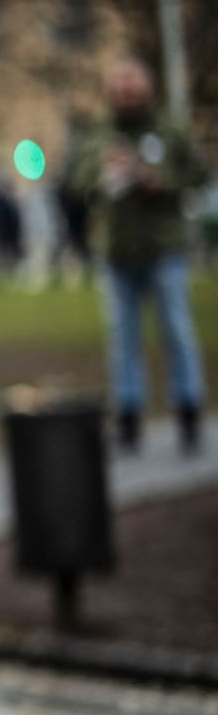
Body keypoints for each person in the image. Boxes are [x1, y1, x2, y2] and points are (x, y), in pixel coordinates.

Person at [69, 58, 208, 455]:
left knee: (177, 331)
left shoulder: (169, 130)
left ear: (147, 92)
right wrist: (103, 172)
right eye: (120, 92)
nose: (127, 99)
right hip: (117, 251)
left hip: (163, 247)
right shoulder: (99, 135)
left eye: (134, 92)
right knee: (122, 338)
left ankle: (189, 413)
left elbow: (196, 175)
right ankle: (128, 418)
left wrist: (158, 180)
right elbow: (78, 182)